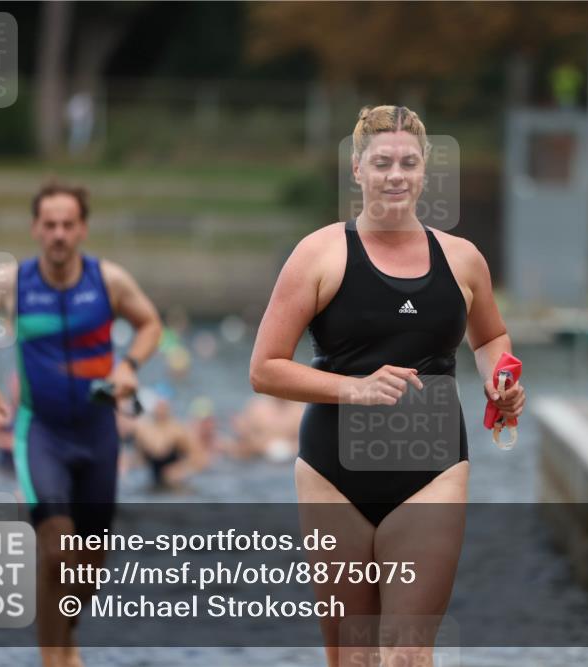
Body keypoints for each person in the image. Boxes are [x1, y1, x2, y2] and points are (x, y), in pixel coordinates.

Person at [249, 105, 525, 666]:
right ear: (357, 169)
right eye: (381, 163)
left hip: (433, 468)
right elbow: (265, 368)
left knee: (406, 654)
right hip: (334, 474)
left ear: (425, 171)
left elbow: (492, 337)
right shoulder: (319, 254)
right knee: (353, 659)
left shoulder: (463, 259)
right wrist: (355, 388)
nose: (395, 175)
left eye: (408, 162)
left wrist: (502, 380)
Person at [0, 182, 162, 667]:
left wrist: (129, 365)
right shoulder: (13, 283)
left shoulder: (107, 281)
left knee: (85, 573)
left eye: (68, 224)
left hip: (98, 435)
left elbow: (150, 323)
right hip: (41, 434)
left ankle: (65, 646)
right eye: (50, 225)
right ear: (35, 229)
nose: (59, 234)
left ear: (82, 228)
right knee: (54, 552)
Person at [126, 397, 209, 489]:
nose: (160, 410)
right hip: (151, 483)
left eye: (163, 406)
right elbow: (139, 458)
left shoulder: (178, 431)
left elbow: (200, 459)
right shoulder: (144, 432)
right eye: (159, 406)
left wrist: (181, 470)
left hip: (174, 485)